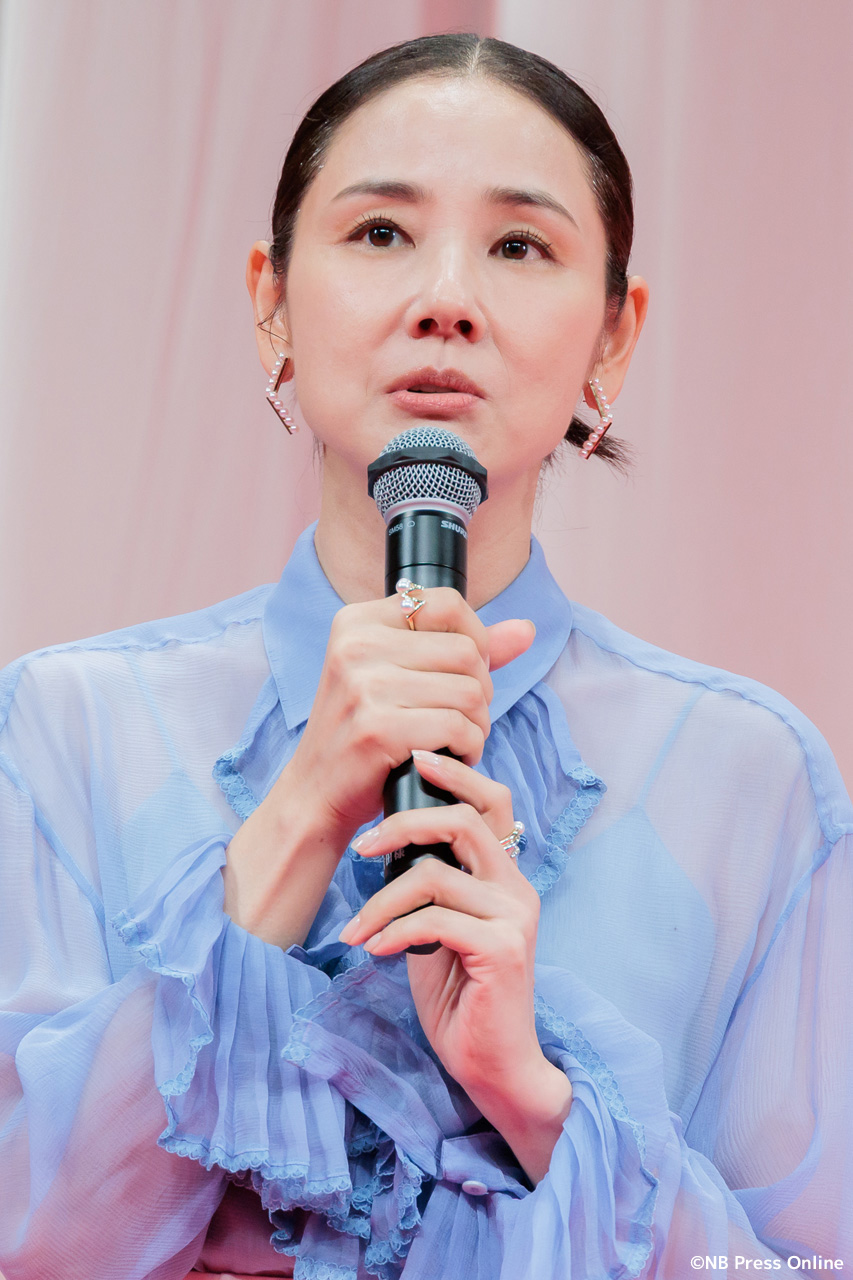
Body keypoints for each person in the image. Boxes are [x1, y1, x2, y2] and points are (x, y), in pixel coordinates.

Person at [0, 31, 850, 1280]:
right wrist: (295, 821)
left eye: (520, 246)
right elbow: (27, 1235)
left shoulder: (746, 776)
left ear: (613, 338)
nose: (445, 297)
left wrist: (536, 1102)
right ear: (270, 300)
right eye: (380, 231)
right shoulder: (74, 722)